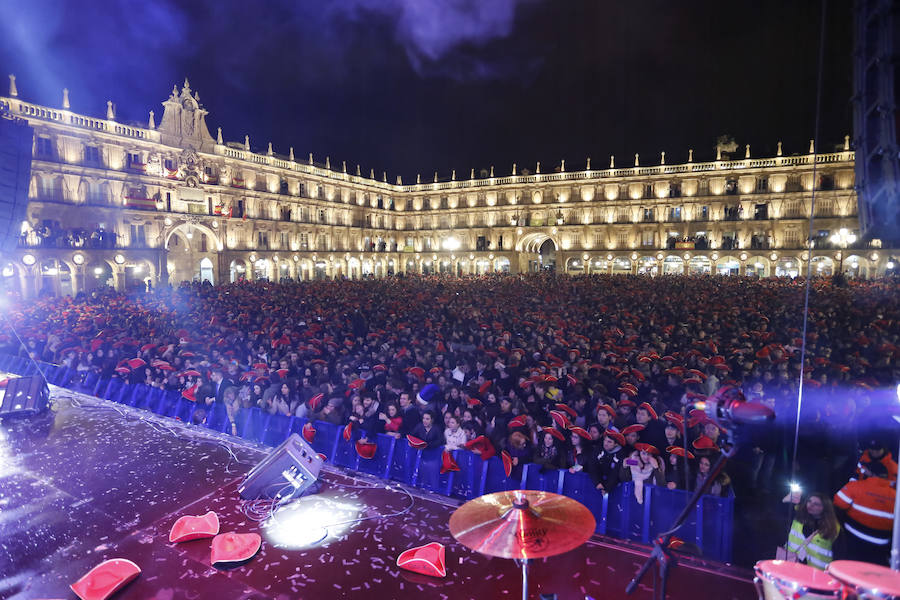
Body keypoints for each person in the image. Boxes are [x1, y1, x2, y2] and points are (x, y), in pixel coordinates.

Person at [834, 460, 895, 565]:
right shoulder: (896, 496)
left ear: (869, 472)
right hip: (880, 551)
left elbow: (837, 504)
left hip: (851, 544)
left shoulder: (855, 486)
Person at [784, 493, 843, 570]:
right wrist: (785, 500)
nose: (810, 505)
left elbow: (840, 556)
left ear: (825, 508)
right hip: (791, 566)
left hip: (817, 573)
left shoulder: (834, 529)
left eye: (816, 504)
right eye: (809, 501)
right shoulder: (799, 515)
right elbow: (780, 511)